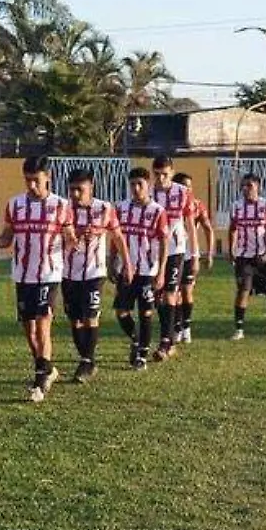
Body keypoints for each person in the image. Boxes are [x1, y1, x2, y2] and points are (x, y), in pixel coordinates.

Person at [0, 155, 77, 403]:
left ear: (47, 178)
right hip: (23, 275)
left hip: (49, 274)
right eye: (27, 180)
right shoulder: (15, 205)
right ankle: (48, 367)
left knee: (42, 325)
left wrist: (74, 242)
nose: (31, 186)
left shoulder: (61, 206)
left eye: (36, 181)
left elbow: (69, 236)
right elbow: (6, 238)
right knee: (29, 330)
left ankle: (39, 381)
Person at [62, 167, 128, 383]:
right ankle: (86, 359)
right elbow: (55, 239)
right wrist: (76, 234)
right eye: (71, 190)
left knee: (90, 316)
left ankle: (87, 362)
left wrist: (127, 263)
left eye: (79, 189)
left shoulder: (104, 208)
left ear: (91, 187)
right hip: (67, 272)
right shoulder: (63, 209)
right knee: (75, 320)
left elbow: (118, 236)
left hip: (94, 272)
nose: (75, 194)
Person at [112, 167, 168, 370]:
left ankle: (142, 354)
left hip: (147, 271)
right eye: (133, 184)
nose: (136, 189)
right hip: (126, 269)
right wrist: (112, 260)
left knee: (146, 313)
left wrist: (161, 271)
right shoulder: (121, 208)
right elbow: (116, 237)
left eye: (140, 185)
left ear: (148, 185)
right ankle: (136, 339)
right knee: (121, 311)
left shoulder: (158, 211)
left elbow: (163, 242)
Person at [227, 173, 266, 340]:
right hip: (244, 257)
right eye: (243, 186)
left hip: (264, 257)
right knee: (243, 290)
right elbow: (232, 229)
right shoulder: (236, 206)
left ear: (258, 187)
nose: (245, 189)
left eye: (249, 186)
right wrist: (231, 251)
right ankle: (239, 329)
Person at [150, 155, 197, 359]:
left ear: (172, 172)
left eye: (165, 175)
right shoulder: (148, 193)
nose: (160, 179)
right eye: (157, 174)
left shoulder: (183, 192)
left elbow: (190, 224)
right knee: (158, 297)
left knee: (170, 293)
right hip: (152, 251)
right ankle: (170, 333)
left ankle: (165, 342)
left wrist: (194, 254)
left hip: (176, 250)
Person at [172, 172, 215, 343]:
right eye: (184, 186)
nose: (188, 189)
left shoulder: (197, 205)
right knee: (174, 294)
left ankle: (186, 327)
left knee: (187, 291)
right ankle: (176, 327)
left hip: (189, 254)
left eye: (190, 186)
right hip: (173, 254)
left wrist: (209, 253)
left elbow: (208, 229)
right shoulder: (168, 204)